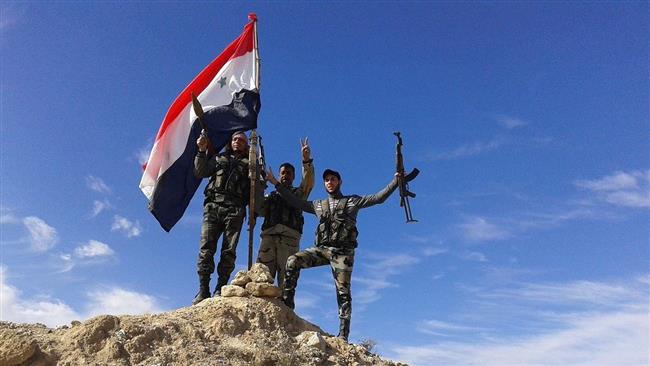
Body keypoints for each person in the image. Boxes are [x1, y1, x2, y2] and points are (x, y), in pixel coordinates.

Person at [264, 167, 416, 341]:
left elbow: (378, 198)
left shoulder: (352, 201)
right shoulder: (319, 205)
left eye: (333, 179)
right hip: (322, 250)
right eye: (327, 180)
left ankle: (343, 334)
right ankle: (288, 307)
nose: (330, 182)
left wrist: (396, 181)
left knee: (343, 291)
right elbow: (295, 201)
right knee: (292, 261)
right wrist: (276, 183)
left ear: (339, 182)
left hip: (343, 253)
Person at [192, 130, 261, 305]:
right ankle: (203, 289)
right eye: (235, 139)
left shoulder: (250, 166)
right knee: (206, 249)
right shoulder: (218, 159)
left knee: (228, 252)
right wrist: (201, 150)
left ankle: (220, 287)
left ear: (246, 145)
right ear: (230, 142)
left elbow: (255, 194)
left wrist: (253, 214)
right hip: (213, 207)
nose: (238, 142)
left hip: (235, 210)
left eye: (242, 140)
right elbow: (200, 171)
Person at [257, 138, 314, 289]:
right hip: (269, 238)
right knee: (262, 280)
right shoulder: (271, 196)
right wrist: (259, 184)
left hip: (289, 240)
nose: (285, 175)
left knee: (287, 283)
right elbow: (258, 209)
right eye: (283, 173)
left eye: (289, 173)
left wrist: (306, 160)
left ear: (293, 176)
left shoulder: (298, 194)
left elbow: (308, 182)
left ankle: (286, 310)